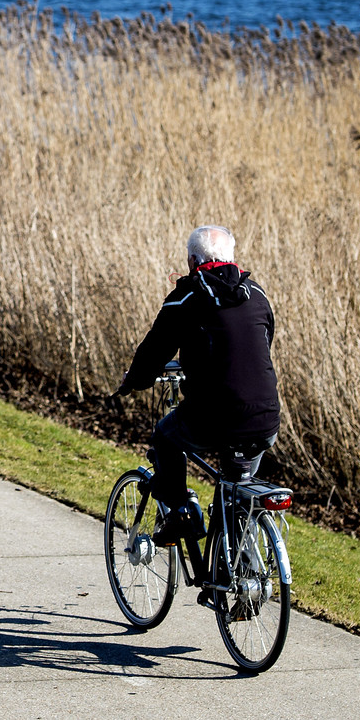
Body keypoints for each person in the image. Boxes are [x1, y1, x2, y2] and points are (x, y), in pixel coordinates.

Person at [114, 225, 281, 546]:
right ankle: (235, 566)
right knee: (235, 488)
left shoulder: (186, 298)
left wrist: (134, 382)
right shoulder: (257, 295)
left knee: (165, 436)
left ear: (192, 261)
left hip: (215, 417)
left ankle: (181, 513)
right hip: (265, 417)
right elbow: (263, 342)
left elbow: (154, 352)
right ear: (232, 258)